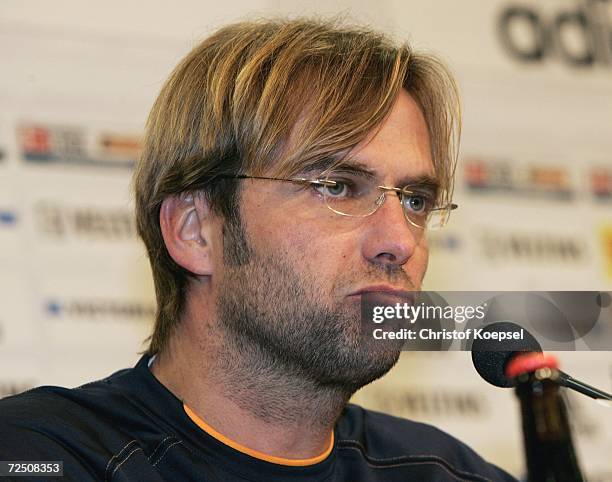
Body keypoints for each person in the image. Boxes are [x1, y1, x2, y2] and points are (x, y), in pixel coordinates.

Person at [0, 18, 517, 481]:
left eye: (415, 199)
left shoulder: (452, 472)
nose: (399, 241)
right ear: (194, 230)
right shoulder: (44, 455)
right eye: (336, 187)